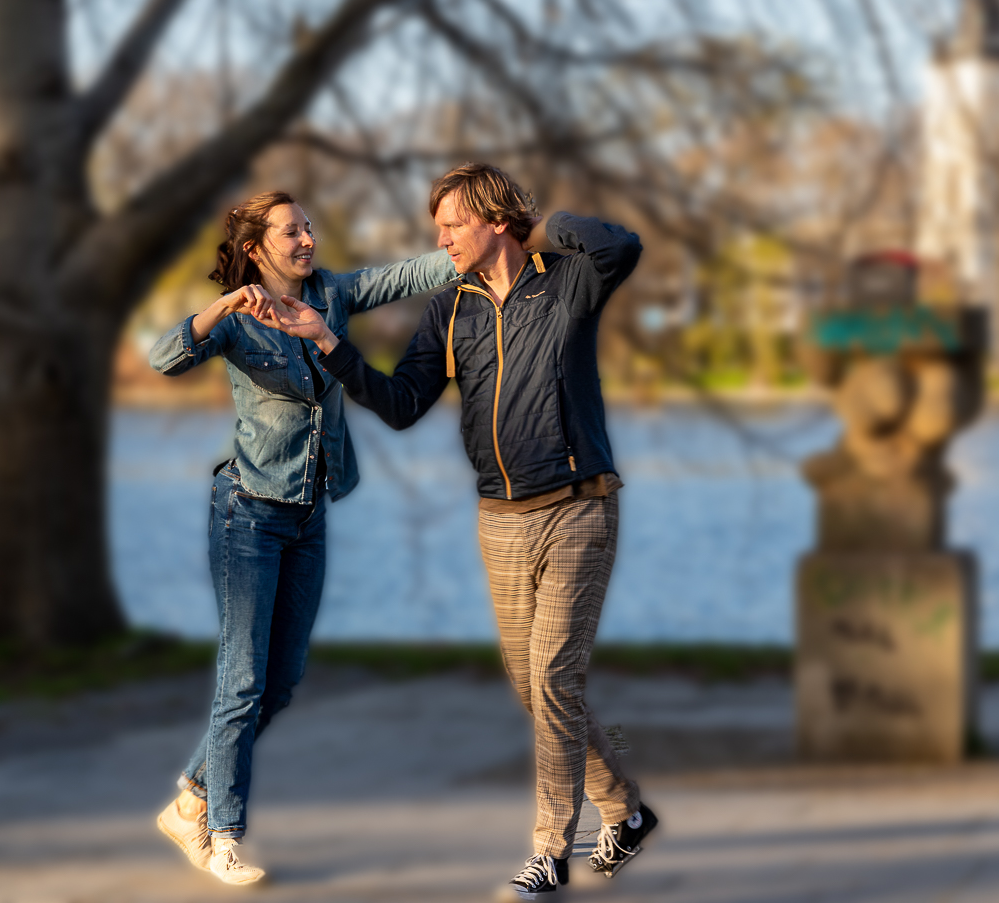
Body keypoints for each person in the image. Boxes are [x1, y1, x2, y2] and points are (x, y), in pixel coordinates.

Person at [265, 163, 656, 899]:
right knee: (536, 688)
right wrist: (328, 342)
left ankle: (550, 852)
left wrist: (549, 223)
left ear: (496, 220)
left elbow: (623, 246)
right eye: (437, 225)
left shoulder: (569, 278)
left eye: (452, 223)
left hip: (579, 506)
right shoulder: (450, 309)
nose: (439, 237)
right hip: (500, 520)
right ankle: (626, 812)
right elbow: (403, 402)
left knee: (552, 679)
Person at [148, 190, 456, 886]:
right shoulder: (237, 321)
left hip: (309, 510)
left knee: (281, 680)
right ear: (257, 248)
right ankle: (223, 835)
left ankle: (192, 797)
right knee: (243, 677)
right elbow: (165, 357)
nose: (307, 239)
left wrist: (470, 249)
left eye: (309, 226)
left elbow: (407, 276)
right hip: (247, 513)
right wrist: (225, 306)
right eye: (292, 231)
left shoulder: (331, 295)